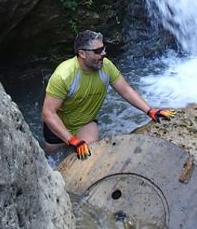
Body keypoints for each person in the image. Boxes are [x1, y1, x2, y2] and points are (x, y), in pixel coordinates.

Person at [42, 30, 175, 159]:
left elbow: (126, 91)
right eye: (98, 51)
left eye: (104, 48)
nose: (104, 53)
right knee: (54, 161)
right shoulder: (64, 75)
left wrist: (150, 110)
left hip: (85, 124)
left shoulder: (106, 66)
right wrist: (71, 139)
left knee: (88, 156)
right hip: (58, 127)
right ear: (82, 53)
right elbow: (48, 113)